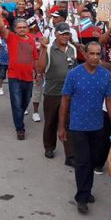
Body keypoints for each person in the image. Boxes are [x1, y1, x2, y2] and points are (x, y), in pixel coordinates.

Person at [58, 41, 111, 214]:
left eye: (98, 54)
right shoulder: (74, 74)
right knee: (82, 162)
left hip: (97, 125)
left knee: (91, 160)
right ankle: (81, 198)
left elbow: (110, 100)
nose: (95, 57)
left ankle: (87, 190)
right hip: (78, 126)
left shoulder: (105, 75)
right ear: (85, 54)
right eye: (92, 53)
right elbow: (65, 100)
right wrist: (61, 126)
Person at [0, 5, 38, 140]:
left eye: (24, 27)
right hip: (14, 77)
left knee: (26, 101)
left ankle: (19, 118)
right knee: (17, 104)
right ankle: (20, 128)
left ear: (27, 28)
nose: (22, 29)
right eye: (19, 27)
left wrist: (37, 72)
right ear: (14, 29)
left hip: (29, 78)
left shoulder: (31, 39)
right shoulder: (11, 37)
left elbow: (35, 57)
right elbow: (1, 27)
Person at [38, 22, 77, 164]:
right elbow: (40, 69)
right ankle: (49, 147)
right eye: (62, 34)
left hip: (69, 93)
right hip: (52, 92)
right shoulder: (48, 49)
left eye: (67, 34)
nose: (65, 36)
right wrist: (42, 49)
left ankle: (70, 155)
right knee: (51, 121)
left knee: (68, 123)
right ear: (56, 34)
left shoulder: (72, 49)